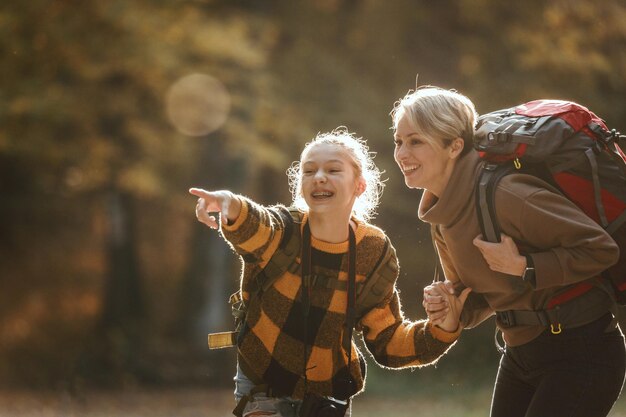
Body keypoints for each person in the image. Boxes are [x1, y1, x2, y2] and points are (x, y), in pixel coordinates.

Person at [190, 127, 468, 417]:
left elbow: (388, 340)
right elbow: (254, 224)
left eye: (333, 170)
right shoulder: (284, 228)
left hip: (328, 395)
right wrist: (228, 201)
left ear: (359, 186)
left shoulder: (372, 249)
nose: (319, 176)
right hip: (263, 382)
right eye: (309, 171)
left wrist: (442, 329)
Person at [391, 86, 626, 417]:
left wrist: (525, 266)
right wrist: (455, 307)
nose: (402, 153)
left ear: (454, 146)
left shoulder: (506, 195)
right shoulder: (442, 217)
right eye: (399, 141)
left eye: (416, 141)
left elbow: (601, 249)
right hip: (520, 356)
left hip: (582, 353)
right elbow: (487, 294)